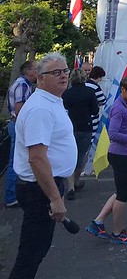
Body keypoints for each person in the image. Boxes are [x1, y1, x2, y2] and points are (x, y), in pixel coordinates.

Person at [8, 53, 77, 278]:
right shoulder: (40, 109)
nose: (63, 76)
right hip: (37, 189)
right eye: (55, 72)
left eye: (65, 71)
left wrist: (58, 190)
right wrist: (54, 198)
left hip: (45, 185)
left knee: (37, 250)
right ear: (40, 78)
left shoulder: (51, 102)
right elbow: (37, 158)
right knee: (30, 254)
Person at [86, 74, 127, 244]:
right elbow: (114, 134)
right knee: (123, 193)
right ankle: (117, 232)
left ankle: (98, 221)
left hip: (125, 153)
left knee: (126, 190)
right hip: (119, 154)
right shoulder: (119, 108)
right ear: (123, 89)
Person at [61, 69, 99, 200]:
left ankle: (70, 186)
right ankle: (76, 181)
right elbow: (95, 111)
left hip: (70, 127)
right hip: (85, 127)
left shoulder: (67, 93)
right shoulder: (89, 92)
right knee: (81, 155)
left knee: (70, 155)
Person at [5, 60, 38, 208]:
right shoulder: (23, 85)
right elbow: (20, 110)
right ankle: (11, 197)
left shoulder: (22, 84)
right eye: (36, 68)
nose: (38, 71)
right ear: (29, 71)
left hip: (15, 124)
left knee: (16, 159)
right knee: (15, 161)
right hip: (18, 125)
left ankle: (13, 195)